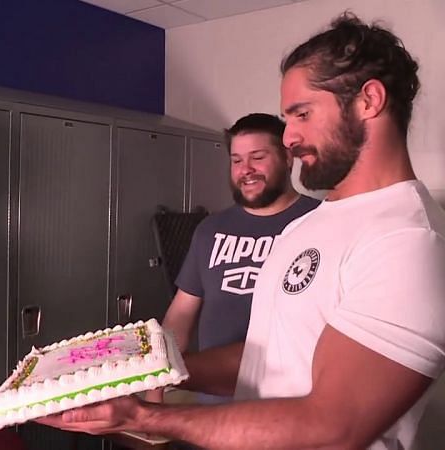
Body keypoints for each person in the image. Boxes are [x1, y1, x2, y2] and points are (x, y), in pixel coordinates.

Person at [38, 12, 445, 450]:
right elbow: (266, 358)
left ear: (369, 100)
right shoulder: (311, 224)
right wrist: (155, 369)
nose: (289, 138)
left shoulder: (406, 240)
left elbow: (333, 426)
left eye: (302, 114)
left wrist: (151, 418)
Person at [159, 113, 318, 405]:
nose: (246, 169)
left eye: (257, 157)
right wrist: (157, 382)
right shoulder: (210, 230)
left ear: (287, 157)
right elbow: (181, 314)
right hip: (212, 411)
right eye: (236, 160)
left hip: (288, 408)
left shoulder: (321, 223)